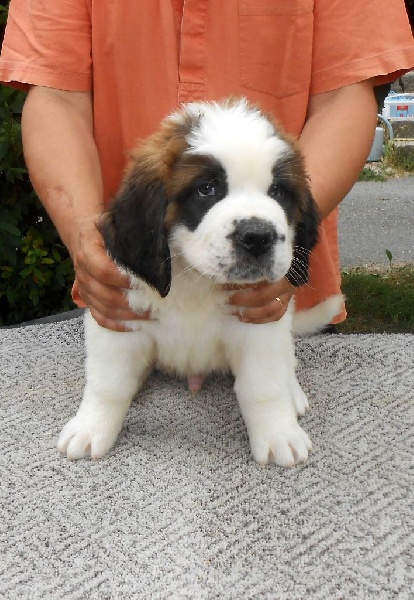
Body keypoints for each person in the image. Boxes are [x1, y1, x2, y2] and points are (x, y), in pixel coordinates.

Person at [0, 1, 413, 333]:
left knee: (276, 404)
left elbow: (345, 93)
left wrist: (294, 237)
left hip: (273, 307)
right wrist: (82, 232)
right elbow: (56, 96)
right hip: (132, 295)